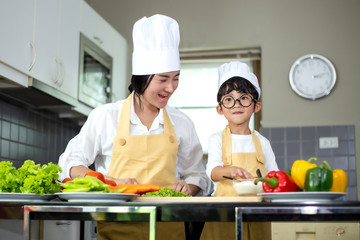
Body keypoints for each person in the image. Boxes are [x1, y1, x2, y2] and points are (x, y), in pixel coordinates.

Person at [58, 14, 210, 240]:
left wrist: (189, 187)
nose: (171, 87)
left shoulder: (182, 123)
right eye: (163, 79)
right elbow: (69, 165)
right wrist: (108, 182)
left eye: (176, 78)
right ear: (142, 77)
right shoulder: (105, 117)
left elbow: (199, 175)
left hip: (168, 233)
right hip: (115, 233)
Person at [200, 61, 279, 240]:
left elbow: (275, 178)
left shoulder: (263, 142)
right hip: (223, 217)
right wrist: (231, 170)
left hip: (257, 216)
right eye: (228, 99)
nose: (236, 104)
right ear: (220, 109)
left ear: (256, 106)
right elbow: (212, 172)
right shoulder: (217, 139)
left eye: (244, 97)